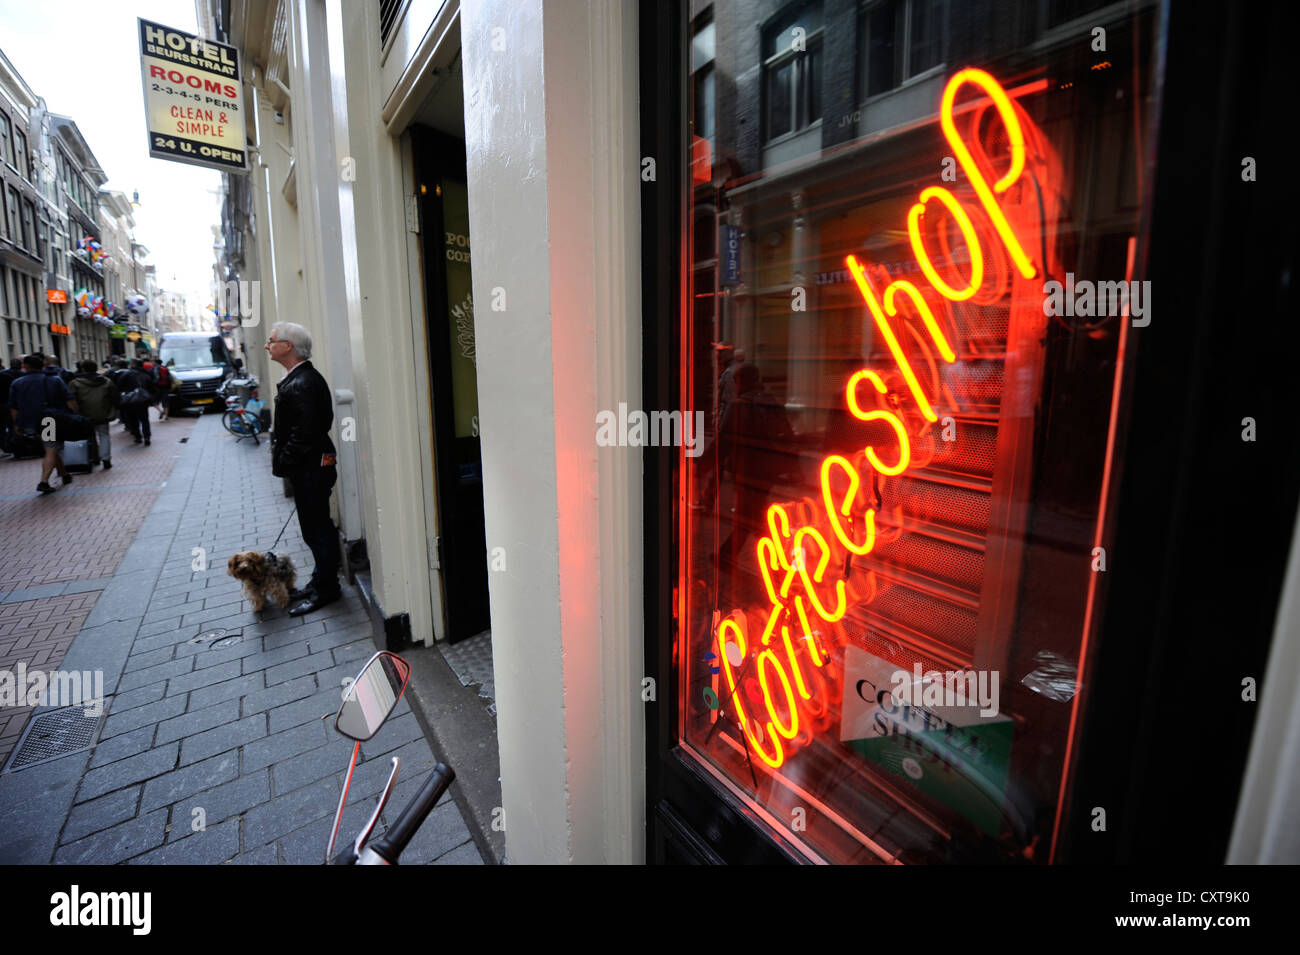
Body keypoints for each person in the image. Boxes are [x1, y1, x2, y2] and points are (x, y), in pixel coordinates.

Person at [267, 322, 342, 615]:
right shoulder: (300, 378)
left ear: (287, 346)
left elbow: (307, 431)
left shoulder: (304, 382)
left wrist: (285, 459)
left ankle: (327, 589)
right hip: (309, 467)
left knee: (317, 530)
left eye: (271, 340)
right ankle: (321, 580)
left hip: (311, 469)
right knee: (315, 528)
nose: (267, 345)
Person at [8, 354, 74, 493]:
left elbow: (13, 407)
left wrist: (16, 424)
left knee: (50, 447)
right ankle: (43, 482)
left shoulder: (17, 383)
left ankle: (64, 474)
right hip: (48, 419)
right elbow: (69, 399)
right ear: (43, 365)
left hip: (29, 421)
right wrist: (75, 414)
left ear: (24, 366)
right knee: (51, 449)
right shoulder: (54, 380)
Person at [68, 359, 120, 469]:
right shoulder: (106, 381)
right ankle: (106, 459)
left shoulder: (75, 383)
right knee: (104, 435)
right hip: (103, 413)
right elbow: (115, 396)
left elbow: (71, 399)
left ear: (83, 369)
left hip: (84, 415)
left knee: (89, 436)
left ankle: (94, 458)